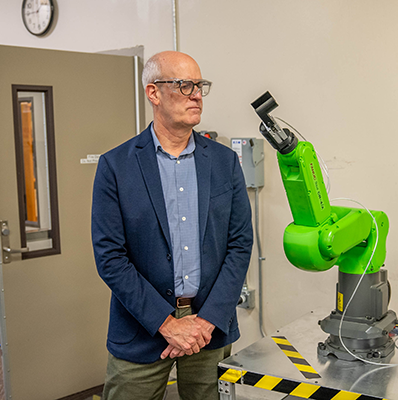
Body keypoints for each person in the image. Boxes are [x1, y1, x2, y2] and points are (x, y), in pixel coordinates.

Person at [91, 51, 253, 400]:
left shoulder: (225, 162)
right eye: (184, 85)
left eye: (200, 85)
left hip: (210, 327)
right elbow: (110, 257)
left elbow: (240, 243)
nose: (196, 94)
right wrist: (168, 324)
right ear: (153, 93)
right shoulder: (116, 166)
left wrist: (204, 322)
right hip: (141, 327)